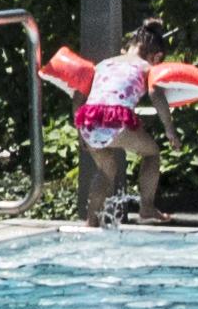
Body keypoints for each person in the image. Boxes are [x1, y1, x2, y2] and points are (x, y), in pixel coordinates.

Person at [71, 18, 177, 225]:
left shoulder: (103, 64)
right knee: (152, 153)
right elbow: (156, 95)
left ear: (127, 47)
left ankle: (91, 220)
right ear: (157, 56)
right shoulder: (147, 68)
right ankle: (146, 208)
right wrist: (169, 129)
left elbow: (77, 97)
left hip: (88, 121)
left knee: (106, 170)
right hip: (114, 120)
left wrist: (79, 131)